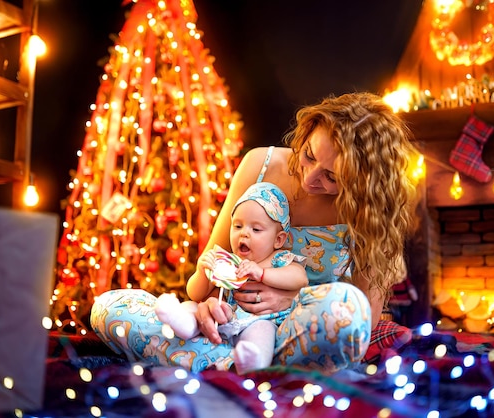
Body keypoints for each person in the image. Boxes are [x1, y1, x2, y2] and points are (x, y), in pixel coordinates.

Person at [90, 91, 417, 373]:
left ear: (362, 183)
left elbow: (365, 318)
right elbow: (211, 264)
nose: (310, 179)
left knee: (347, 310)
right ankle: (240, 364)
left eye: (333, 177)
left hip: (298, 330)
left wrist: (291, 297)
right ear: (306, 134)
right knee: (109, 308)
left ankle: (221, 363)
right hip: (231, 323)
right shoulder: (260, 165)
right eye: (309, 156)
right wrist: (208, 306)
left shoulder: (370, 206)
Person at [154, 182, 308, 374]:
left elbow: (300, 278)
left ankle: (252, 360)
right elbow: (194, 293)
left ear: (278, 239)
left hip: (257, 320)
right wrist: (203, 272)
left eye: (256, 229)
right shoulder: (226, 261)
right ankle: (182, 323)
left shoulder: (278, 259)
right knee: (192, 307)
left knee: (263, 333)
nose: (244, 233)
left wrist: (262, 274)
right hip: (221, 317)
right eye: (237, 226)